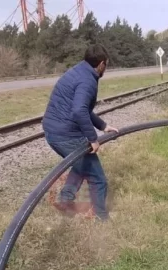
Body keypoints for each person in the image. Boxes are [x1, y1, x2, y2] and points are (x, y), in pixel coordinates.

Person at [42, 44, 118, 221]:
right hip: (65, 134)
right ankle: (101, 218)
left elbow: (81, 108)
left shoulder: (79, 71)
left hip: (52, 131)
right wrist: (93, 139)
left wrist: (103, 126)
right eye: (106, 64)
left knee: (80, 165)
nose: (106, 68)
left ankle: (65, 200)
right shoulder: (87, 80)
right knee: (98, 178)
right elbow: (78, 110)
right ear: (100, 64)